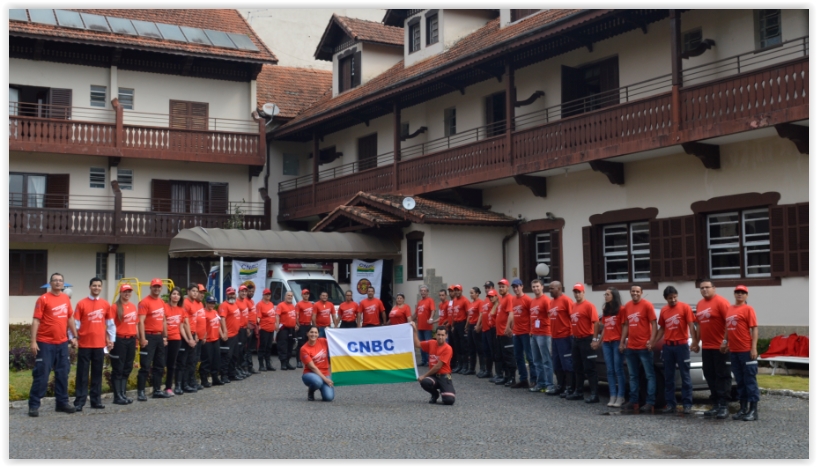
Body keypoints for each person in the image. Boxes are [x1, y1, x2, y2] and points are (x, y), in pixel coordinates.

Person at [29, 272, 78, 417]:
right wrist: (33, 341)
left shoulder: (65, 299)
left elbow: (70, 318)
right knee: (41, 374)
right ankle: (34, 405)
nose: (57, 282)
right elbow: (36, 321)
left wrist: (74, 336)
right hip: (45, 343)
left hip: (62, 343)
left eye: (60, 280)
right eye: (55, 280)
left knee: (63, 374)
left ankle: (62, 403)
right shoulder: (43, 299)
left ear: (63, 284)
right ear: (50, 283)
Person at [650, 286, 695, 414]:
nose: (673, 300)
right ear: (666, 298)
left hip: (682, 346)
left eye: (675, 297)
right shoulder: (664, 310)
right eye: (670, 298)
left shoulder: (685, 307)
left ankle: (687, 404)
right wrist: (653, 342)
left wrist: (695, 341)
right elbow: (662, 329)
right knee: (668, 376)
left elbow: (692, 325)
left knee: (685, 376)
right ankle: (670, 404)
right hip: (668, 346)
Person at [692, 279, 733, 419]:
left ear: (714, 288)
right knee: (709, 375)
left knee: (723, 375)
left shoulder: (721, 302)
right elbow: (698, 325)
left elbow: (730, 322)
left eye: (707, 287)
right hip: (707, 347)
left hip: (720, 347)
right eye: (701, 288)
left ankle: (724, 405)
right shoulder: (700, 304)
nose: (704, 290)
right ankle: (715, 403)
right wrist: (696, 342)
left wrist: (726, 341)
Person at [72, 277, 114, 411]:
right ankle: (80, 401)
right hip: (84, 344)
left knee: (97, 374)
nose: (96, 288)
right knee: (82, 374)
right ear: (89, 287)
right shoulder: (81, 304)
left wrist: (111, 339)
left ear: (101, 288)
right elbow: (75, 324)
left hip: (99, 345)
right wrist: (73, 338)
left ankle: (96, 400)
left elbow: (110, 324)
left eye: (99, 286)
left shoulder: (105, 304)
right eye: (94, 285)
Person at [619, 285, 658, 413]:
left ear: (641, 292)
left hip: (644, 347)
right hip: (631, 347)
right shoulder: (627, 306)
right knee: (633, 376)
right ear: (630, 292)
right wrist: (622, 342)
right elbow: (626, 325)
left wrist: (652, 341)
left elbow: (654, 323)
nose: (635, 293)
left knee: (649, 376)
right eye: (633, 291)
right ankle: (633, 401)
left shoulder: (647, 305)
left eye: (637, 291)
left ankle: (650, 402)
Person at [724, 285, 760, 421]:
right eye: (737, 292)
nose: (740, 294)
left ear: (746, 296)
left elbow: (754, 329)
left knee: (750, 380)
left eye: (743, 293)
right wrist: (725, 342)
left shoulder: (748, 309)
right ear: (734, 294)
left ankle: (753, 411)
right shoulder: (730, 309)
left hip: (746, 350)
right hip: (734, 351)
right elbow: (728, 327)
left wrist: (754, 348)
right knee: (740, 381)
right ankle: (743, 408)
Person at [565, 283, 600, 403]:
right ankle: (578, 392)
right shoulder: (573, 306)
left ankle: (595, 394)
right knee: (577, 367)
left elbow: (596, 323)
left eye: (579, 291)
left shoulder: (589, 306)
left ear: (583, 292)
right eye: (575, 292)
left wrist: (595, 339)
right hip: (576, 340)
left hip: (586, 339)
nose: (577, 294)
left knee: (590, 367)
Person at [137, 278, 170, 401]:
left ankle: (157, 390)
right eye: (154, 286)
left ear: (161, 288)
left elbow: (163, 320)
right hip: (148, 336)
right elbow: (140, 321)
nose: (157, 289)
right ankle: (140, 392)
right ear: (150, 287)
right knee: (145, 365)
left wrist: (165, 336)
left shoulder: (162, 302)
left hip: (159, 336)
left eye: (159, 287)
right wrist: (142, 338)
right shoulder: (144, 302)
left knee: (159, 365)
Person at [592, 287, 625, 408]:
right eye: (604, 294)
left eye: (607, 294)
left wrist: (622, 342)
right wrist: (599, 341)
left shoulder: (621, 309)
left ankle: (620, 396)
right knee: (610, 371)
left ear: (614, 296)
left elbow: (625, 326)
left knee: (618, 370)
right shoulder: (606, 309)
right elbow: (605, 327)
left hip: (616, 342)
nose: (605, 296)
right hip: (606, 343)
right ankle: (612, 395)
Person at [411, 323, 455, 405]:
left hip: (443, 376)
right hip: (433, 376)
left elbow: (438, 366)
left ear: (446, 336)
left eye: (442, 335)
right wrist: (414, 331)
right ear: (435, 335)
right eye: (438, 334)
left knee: (449, 401)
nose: (440, 337)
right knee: (425, 382)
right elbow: (417, 344)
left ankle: (444, 389)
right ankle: (435, 394)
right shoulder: (431, 343)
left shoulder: (448, 348)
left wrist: (424, 375)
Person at [545, 281, 574, 396]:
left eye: (552, 288)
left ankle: (570, 387)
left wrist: (571, 335)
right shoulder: (551, 302)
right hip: (555, 337)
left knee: (566, 363)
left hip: (565, 337)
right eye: (549, 288)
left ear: (559, 288)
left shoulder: (566, 300)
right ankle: (560, 385)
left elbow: (573, 317)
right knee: (556, 363)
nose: (550, 290)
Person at [110, 283, 137, 405]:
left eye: (129, 292)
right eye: (125, 291)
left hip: (131, 340)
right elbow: (110, 325)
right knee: (118, 368)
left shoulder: (132, 306)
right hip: (119, 340)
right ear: (120, 293)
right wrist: (109, 340)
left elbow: (135, 324)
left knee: (127, 367)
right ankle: (117, 396)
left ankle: (123, 393)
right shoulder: (115, 307)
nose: (127, 294)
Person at [508, 278, 535, 388]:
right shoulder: (513, 300)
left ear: (522, 286)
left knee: (529, 356)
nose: (515, 289)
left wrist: (531, 330)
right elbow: (513, 315)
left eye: (517, 286)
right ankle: (523, 379)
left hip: (526, 332)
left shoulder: (528, 299)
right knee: (518, 356)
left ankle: (534, 379)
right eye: (514, 287)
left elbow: (532, 316)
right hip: (516, 332)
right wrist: (510, 327)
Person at [528, 279, 554, 393]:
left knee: (546, 360)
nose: (535, 289)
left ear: (542, 287)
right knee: (536, 361)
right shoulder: (533, 301)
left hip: (544, 334)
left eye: (537, 286)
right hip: (534, 334)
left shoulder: (546, 300)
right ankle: (541, 383)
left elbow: (550, 316)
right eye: (533, 287)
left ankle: (550, 384)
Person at [300, 326, 334, 401]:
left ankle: (321, 385)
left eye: (316, 332)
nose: (313, 334)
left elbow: (335, 340)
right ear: (307, 334)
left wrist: (330, 331)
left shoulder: (323, 341)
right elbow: (312, 367)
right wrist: (326, 380)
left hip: (325, 373)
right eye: (311, 332)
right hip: (310, 373)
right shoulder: (304, 349)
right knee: (317, 382)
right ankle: (311, 391)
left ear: (318, 334)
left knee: (329, 398)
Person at [162, 288, 185, 397]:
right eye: (174, 294)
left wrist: (188, 338)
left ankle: (168, 387)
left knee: (172, 365)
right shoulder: (164, 307)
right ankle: (157, 387)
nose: (176, 296)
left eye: (178, 294)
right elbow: (163, 323)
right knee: (161, 363)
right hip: (165, 339)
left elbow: (181, 326)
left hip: (176, 339)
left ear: (180, 297)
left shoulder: (181, 310)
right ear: (170, 296)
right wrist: (164, 337)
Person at [494, 279, 516, 387]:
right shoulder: (501, 299)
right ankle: (506, 376)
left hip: (505, 333)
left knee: (509, 356)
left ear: (508, 287)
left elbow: (511, 314)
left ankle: (512, 378)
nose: (501, 288)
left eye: (503, 286)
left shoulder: (509, 298)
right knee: (502, 356)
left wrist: (508, 328)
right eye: (500, 287)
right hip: (499, 333)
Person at [218, 287, 242, 382]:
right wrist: (224, 331)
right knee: (226, 357)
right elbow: (222, 319)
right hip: (228, 336)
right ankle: (224, 376)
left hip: (235, 335)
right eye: (230, 294)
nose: (231, 295)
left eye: (233, 294)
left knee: (234, 356)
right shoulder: (224, 305)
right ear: (226, 295)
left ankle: (232, 374)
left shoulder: (235, 304)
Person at [203, 295, 226, 385]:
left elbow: (218, 325)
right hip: (208, 340)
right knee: (207, 360)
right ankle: (204, 379)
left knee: (216, 360)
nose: (212, 305)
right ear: (206, 303)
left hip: (216, 339)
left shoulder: (215, 312)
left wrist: (222, 334)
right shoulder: (203, 313)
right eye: (210, 303)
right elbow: (202, 327)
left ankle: (215, 378)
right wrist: (204, 337)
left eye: (213, 303)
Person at [474, 289, 496, 379]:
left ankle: (498, 373)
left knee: (493, 352)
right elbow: (482, 314)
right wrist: (479, 325)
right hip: (484, 329)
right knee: (485, 351)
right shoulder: (485, 301)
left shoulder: (494, 301)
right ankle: (488, 371)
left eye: (488, 287)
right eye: (485, 287)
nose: (486, 289)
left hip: (491, 329)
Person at [413, 285, 437, 366]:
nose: (423, 292)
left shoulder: (430, 300)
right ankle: (423, 360)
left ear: (427, 292)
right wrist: (410, 321)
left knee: (428, 344)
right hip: (420, 327)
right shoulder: (419, 302)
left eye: (424, 290)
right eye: (421, 291)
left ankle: (429, 360)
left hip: (427, 327)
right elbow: (416, 314)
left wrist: (431, 318)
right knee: (421, 344)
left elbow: (433, 310)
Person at [448, 285, 469, 374]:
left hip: (462, 323)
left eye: (458, 290)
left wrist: (466, 326)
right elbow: (453, 314)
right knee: (457, 345)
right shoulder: (454, 301)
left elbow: (468, 314)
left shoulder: (465, 300)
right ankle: (459, 365)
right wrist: (452, 326)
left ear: (461, 291)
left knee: (463, 345)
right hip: (456, 324)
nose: (457, 292)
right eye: (455, 290)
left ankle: (465, 366)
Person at [191, 284, 208, 392]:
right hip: (194, 338)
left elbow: (202, 320)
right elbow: (192, 322)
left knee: (197, 360)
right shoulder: (193, 304)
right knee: (192, 361)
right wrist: (196, 334)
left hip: (202, 338)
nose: (201, 295)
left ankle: (195, 380)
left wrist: (204, 334)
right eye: (200, 292)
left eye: (202, 293)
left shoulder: (201, 304)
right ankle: (192, 381)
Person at [276, 291, 298, 370]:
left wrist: (295, 324)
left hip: (291, 329)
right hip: (283, 329)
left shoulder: (292, 306)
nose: (290, 297)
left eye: (291, 296)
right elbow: (277, 315)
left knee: (290, 346)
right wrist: (277, 325)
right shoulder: (281, 305)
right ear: (285, 296)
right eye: (288, 295)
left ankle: (288, 362)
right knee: (283, 346)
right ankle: (283, 363)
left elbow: (293, 316)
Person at [256, 288, 277, 371]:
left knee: (269, 347)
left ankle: (268, 364)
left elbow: (273, 315)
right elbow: (258, 317)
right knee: (262, 347)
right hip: (264, 329)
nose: (268, 296)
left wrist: (275, 324)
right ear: (263, 295)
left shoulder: (271, 304)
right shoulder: (260, 304)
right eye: (266, 294)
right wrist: (258, 326)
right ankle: (261, 365)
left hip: (271, 329)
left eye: (269, 294)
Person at [233, 285, 251, 378]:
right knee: (238, 350)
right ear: (238, 292)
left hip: (244, 329)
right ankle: (236, 368)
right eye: (242, 291)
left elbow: (246, 316)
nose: (244, 293)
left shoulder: (245, 302)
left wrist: (247, 328)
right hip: (238, 329)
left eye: (245, 292)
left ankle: (240, 367)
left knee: (243, 349)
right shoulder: (236, 302)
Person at [465, 287, 483, 376]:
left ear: (477, 293)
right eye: (470, 293)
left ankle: (482, 368)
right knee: (471, 347)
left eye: (472, 293)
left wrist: (478, 325)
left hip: (476, 325)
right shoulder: (471, 303)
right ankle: (471, 368)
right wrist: (467, 325)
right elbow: (469, 315)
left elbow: (481, 314)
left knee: (479, 348)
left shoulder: (480, 302)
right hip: (471, 325)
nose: (471, 294)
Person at [295, 289, 314, 368]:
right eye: (304, 294)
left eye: (307, 294)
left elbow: (313, 315)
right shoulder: (299, 304)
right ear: (302, 295)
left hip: (309, 326)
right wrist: (298, 324)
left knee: (309, 343)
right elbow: (296, 315)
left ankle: (308, 360)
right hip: (302, 326)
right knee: (300, 344)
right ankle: (298, 361)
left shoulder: (311, 304)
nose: (306, 295)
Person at [244, 282, 259, 374]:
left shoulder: (252, 301)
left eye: (252, 291)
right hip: (248, 327)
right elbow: (245, 316)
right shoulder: (245, 301)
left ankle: (250, 367)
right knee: (246, 348)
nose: (251, 293)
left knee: (250, 349)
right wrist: (248, 328)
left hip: (254, 326)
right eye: (249, 291)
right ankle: (245, 368)